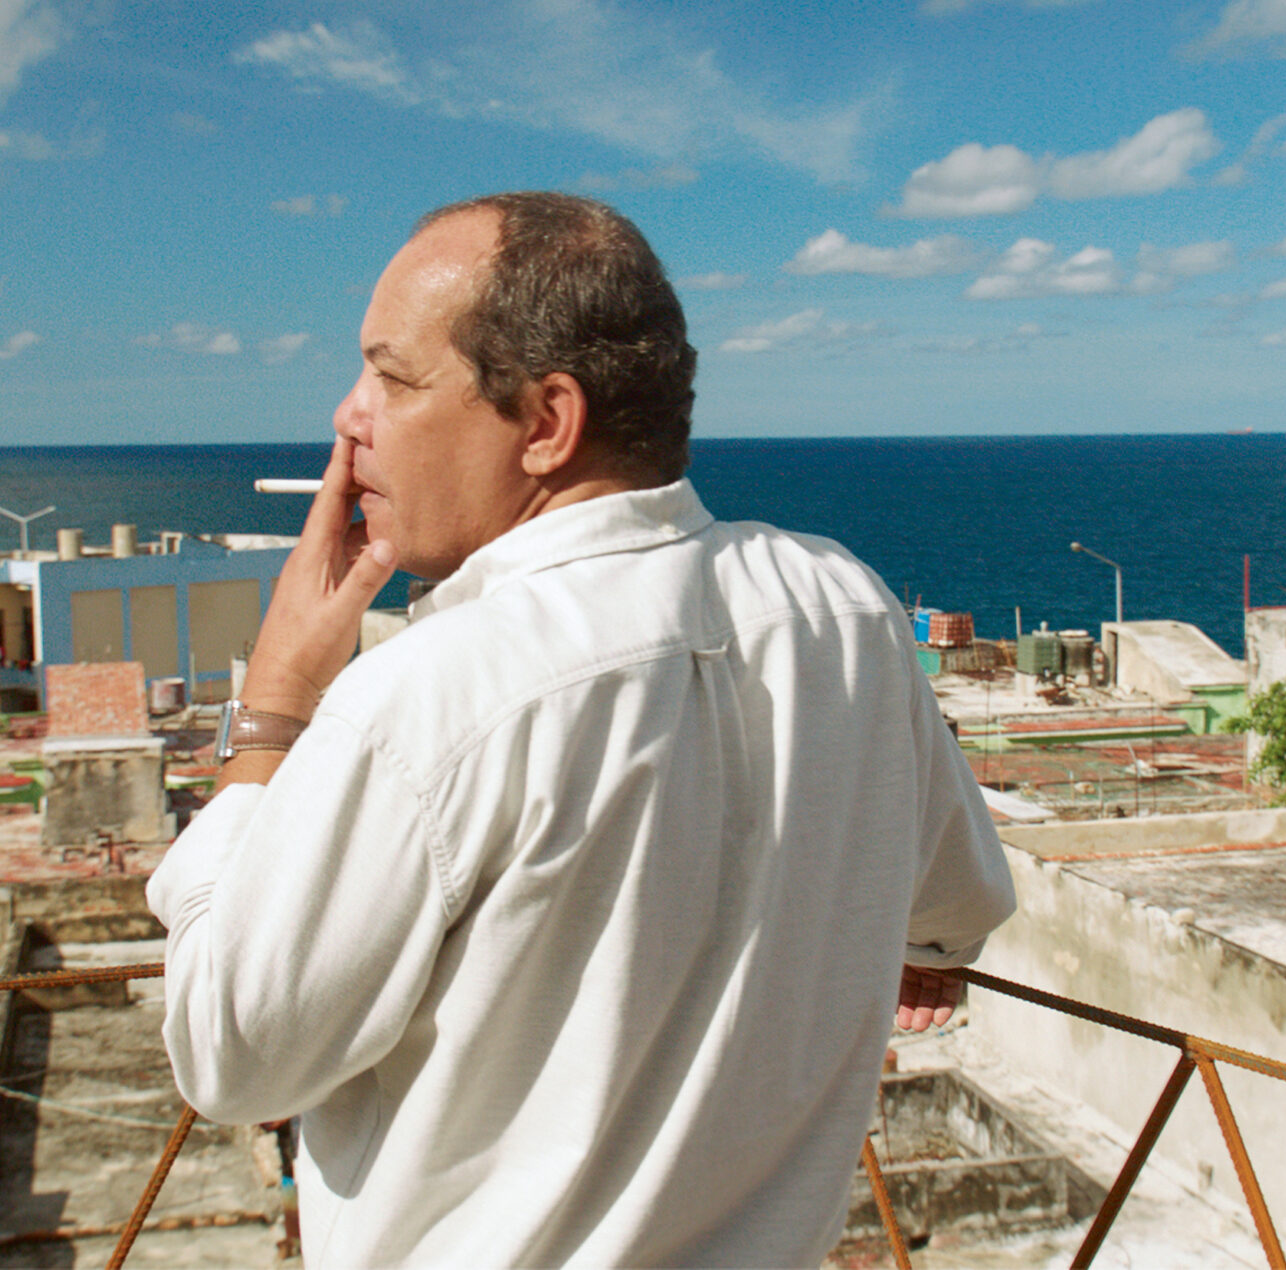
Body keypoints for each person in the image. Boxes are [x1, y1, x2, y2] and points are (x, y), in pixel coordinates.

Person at [146, 192, 1015, 1267]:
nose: (349, 416)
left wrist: (273, 708)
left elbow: (231, 1054)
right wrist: (918, 952)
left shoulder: (433, 693)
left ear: (547, 423)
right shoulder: (841, 605)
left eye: (394, 379)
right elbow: (955, 907)